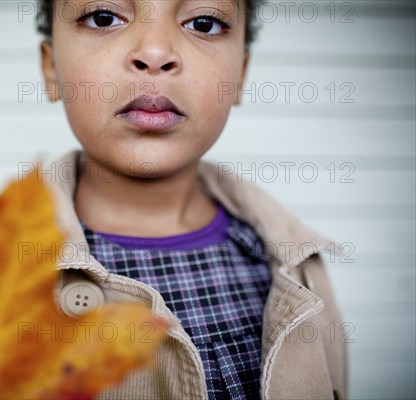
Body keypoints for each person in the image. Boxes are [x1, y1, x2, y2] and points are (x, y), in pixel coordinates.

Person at [34, 0, 348, 398]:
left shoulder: (299, 267)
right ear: (50, 68)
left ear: (240, 75)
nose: (154, 53)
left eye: (204, 22)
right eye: (103, 17)